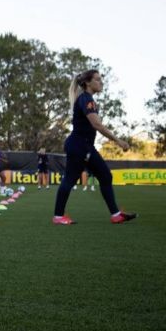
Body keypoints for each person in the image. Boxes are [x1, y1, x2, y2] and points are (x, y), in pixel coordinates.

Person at [53, 69, 136, 225]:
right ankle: (58, 216)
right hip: (79, 146)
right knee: (71, 179)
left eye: (100, 79)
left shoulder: (87, 99)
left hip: (84, 146)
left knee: (105, 175)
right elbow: (96, 124)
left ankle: (116, 214)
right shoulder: (86, 99)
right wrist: (118, 140)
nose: (101, 82)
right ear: (87, 83)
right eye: (97, 79)